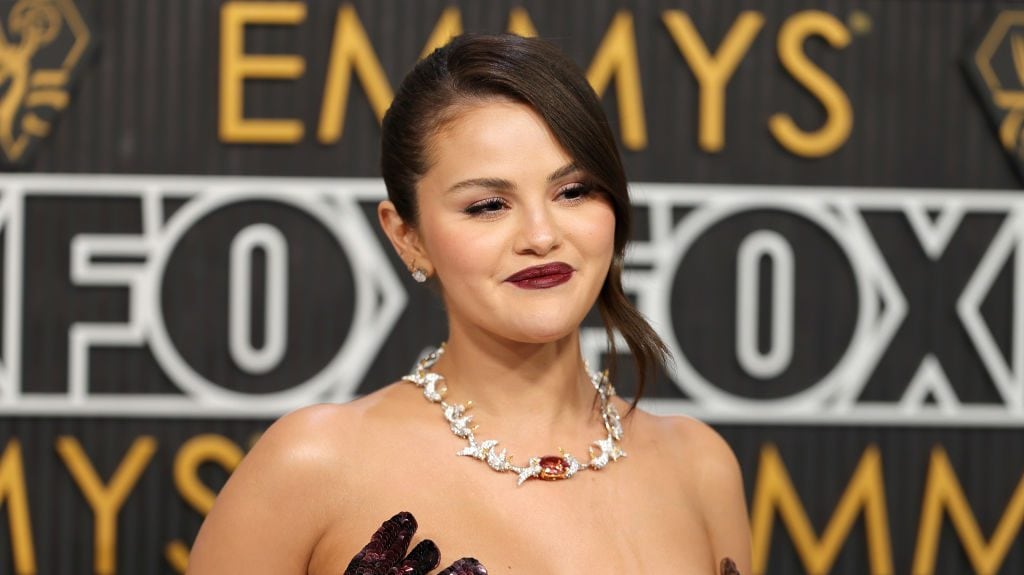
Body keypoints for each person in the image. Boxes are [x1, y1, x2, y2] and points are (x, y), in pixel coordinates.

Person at [187, 33, 750, 574]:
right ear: (407, 236)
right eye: (487, 205)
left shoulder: (700, 467)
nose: (541, 235)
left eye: (573, 191)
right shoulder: (312, 465)